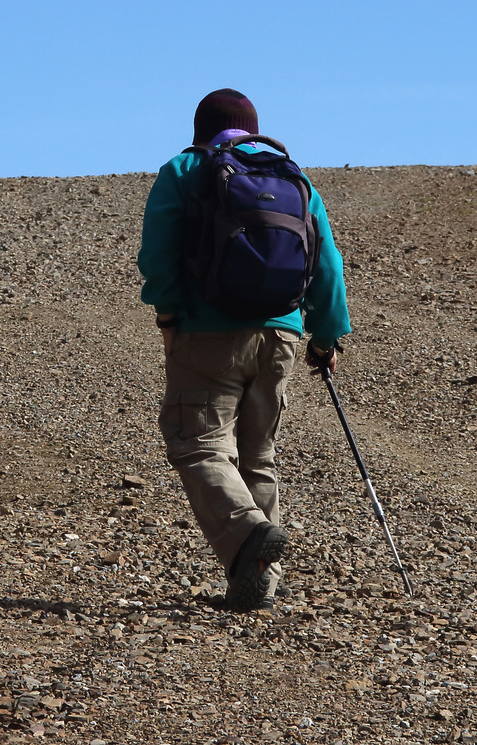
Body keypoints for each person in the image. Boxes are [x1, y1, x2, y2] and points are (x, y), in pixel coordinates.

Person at [137, 88, 352, 611]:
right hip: (281, 334)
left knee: (199, 446)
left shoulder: (186, 169)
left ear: (201, 130)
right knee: (258, 455)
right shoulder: (292, 176)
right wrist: (326, 336)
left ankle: (248, 531)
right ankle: (257, 581)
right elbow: (327, 267)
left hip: (209, 333)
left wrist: (168, 312)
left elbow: (157, 256)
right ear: (251, 128)